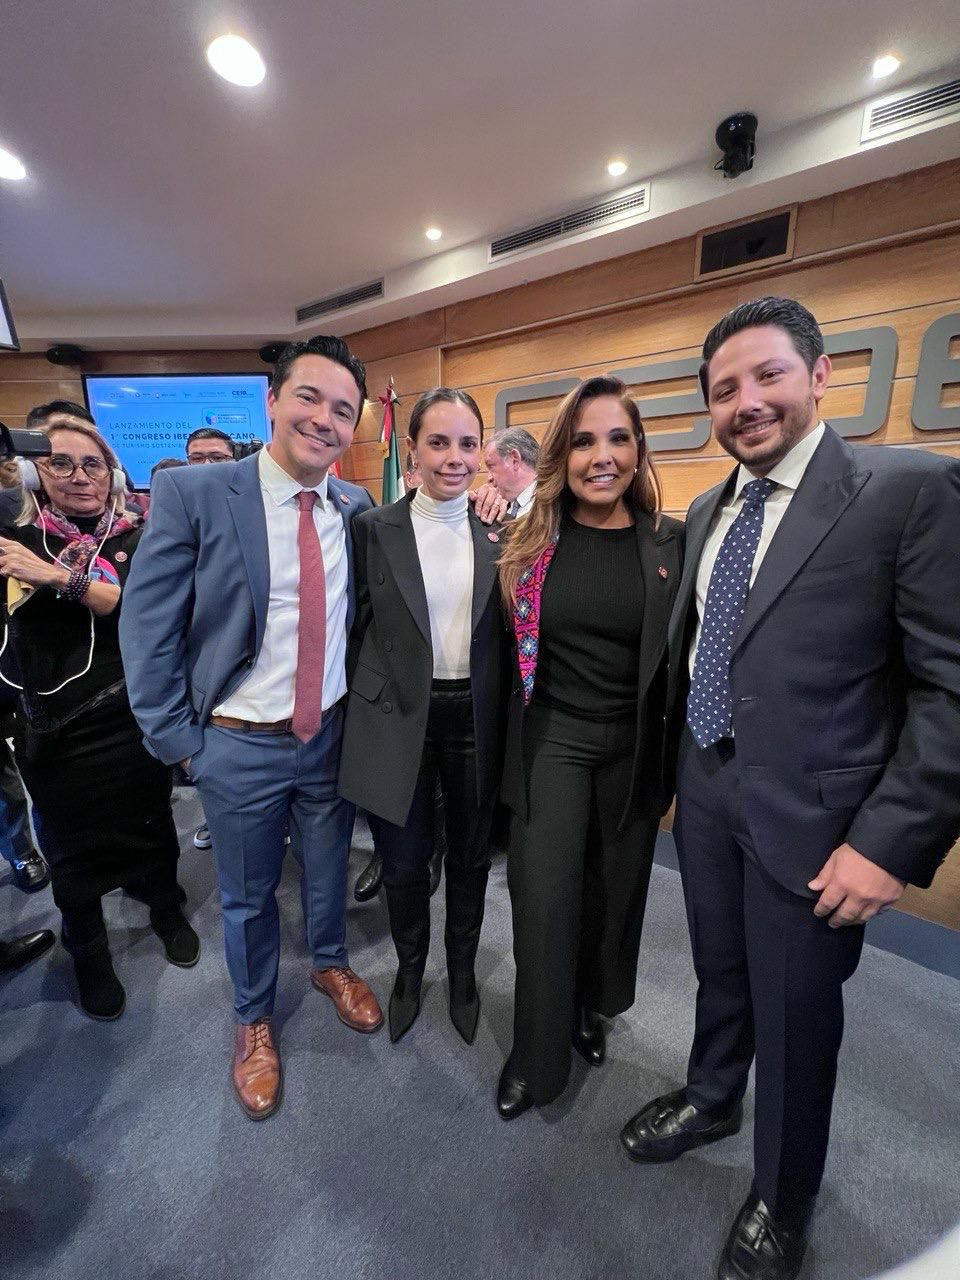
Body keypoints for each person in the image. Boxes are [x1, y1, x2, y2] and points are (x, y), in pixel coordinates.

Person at [619, 297, 960, 1280]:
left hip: (821, 822)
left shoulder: (907, 490)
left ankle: (783, 1192)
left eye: (767, 375)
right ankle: (712, 1093)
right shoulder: (707, 510)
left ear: (818, 375)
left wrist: (887, 842)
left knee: (798, 1013)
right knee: (721, 972)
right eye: (724, 388)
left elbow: (950, 687)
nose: (746, 401)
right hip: (706, 789)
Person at [120, 335, 383, 1121]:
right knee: (247, 896)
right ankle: (253, 1018)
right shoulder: (197, 493)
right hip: (235, 743)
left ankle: (330, 962)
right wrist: (182, 746)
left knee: (329, 869)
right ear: (271, 402)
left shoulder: (354, 506)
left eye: (343, 410)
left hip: (328, 736)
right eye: (310, 397)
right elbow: (148, 628)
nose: (325, 419)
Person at [495, 376, 683, 1119]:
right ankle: (534, 1055)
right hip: (553, 742)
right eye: (583, 441)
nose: (602, 456)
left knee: (613, 893)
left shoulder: (670, 542)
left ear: (638, 450)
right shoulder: (528, 542)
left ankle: (588, 1009)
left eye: (617, 439)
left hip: (634, 750)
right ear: (562, 456)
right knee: (545, 901)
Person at [0, 413, 197, 1020]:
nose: (79, 476)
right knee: (71, 851)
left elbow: (131, 603)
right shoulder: (17, 537)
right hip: (53, 729)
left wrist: (55, 577)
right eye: (60, 463)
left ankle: (165, 909)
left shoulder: (138, 534)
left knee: (151, 824)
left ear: (111, 473)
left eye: (93, 464)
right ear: (33, 472)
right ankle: (88, 953)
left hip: (132, 714)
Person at [339, 388, 508, 1044]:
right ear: (411, 449)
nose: (454, 457)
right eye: (438, 442)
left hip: (476, 719)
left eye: (467, 443)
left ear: (481, 450)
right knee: (405, 865)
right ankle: (410, 970)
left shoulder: (503, 527)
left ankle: (461, 973)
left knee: (469, 860)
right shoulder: (372, 528)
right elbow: (355, 627)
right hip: (397, 717)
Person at [483, 427, 539, 517]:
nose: (489, 478)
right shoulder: (504, 507)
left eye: (491, 466)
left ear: (515, 460)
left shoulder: (550, 509)